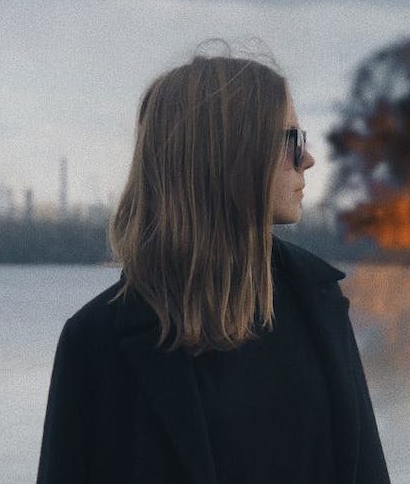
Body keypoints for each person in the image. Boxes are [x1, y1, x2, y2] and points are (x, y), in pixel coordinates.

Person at [36, 51, 390, 484]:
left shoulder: (320, 306)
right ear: (233, 152)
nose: (309, 159)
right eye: (293, 139)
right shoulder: (95, 342)